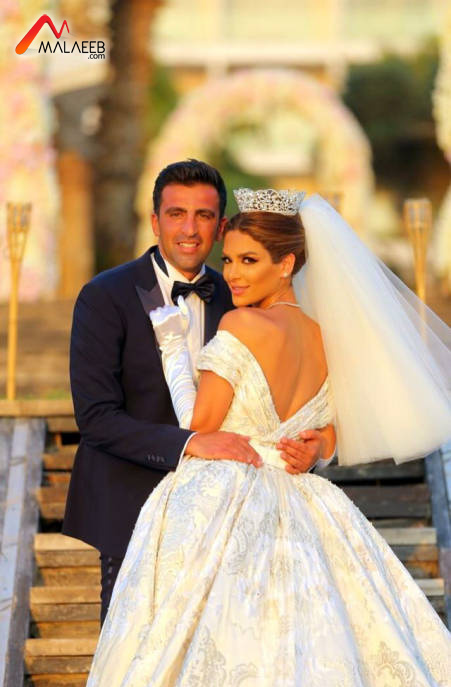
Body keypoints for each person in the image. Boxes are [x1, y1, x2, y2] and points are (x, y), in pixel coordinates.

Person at [63, 190, 451, 687]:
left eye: (248, 261)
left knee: (196, 653)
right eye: (231, 260)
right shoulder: (328, 337)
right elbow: (347, 417)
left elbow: (202, 425)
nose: (233, 275)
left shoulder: (241, 324)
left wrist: (175, 354)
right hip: (304, 501)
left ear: (287, 263)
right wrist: (322, 441)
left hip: (225, 497)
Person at [62, 161, 320, 624]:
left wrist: (316, 446)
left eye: (203, 216)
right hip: (132, 506)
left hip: (231, 520)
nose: (189, 229)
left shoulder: (241, 296)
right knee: (134, 651)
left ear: (220, 226)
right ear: (155, 220)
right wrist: (191, 442)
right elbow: (96, 417)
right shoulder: (104, 296)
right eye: (176, 214)